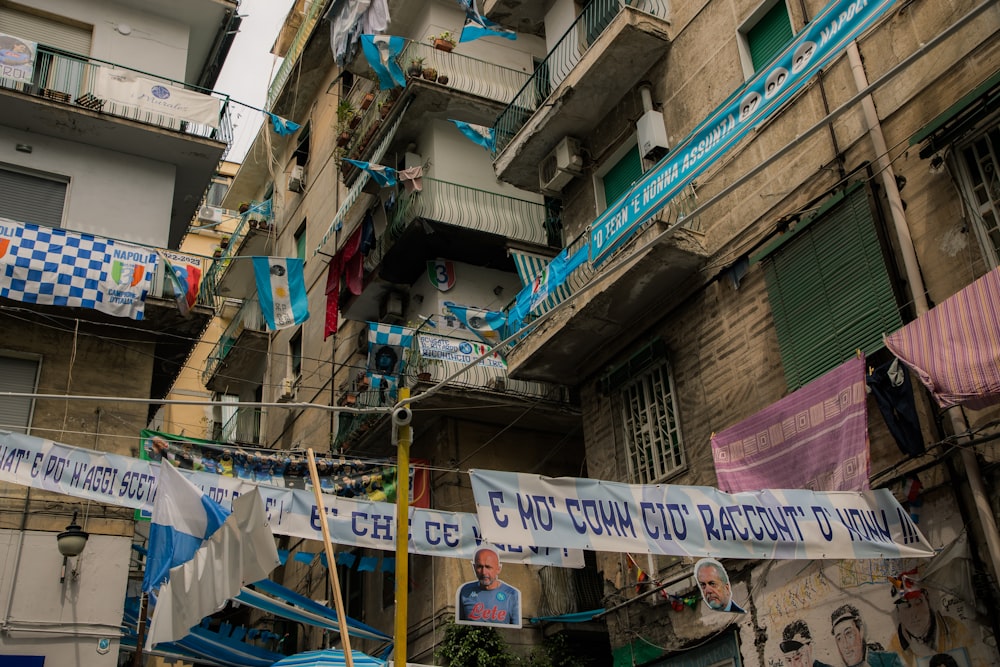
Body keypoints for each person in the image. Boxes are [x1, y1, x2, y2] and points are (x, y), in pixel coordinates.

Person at [888, 587, 977, 667]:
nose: (914, 614)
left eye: (918, 602)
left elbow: (977, 659)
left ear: (928, 602)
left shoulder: (955, 628)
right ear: (898, 613)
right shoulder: (894, 647)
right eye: (906, 606)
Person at [457, 544, 521, 627]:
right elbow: (460, 627)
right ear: (474, 567)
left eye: (488, 567)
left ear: (498, 569)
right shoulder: (465, 592)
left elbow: (516, 633)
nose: (484, 572)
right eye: (480, 566)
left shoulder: (512, 595)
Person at [831, 604, 905, 667]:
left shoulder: (889, 661)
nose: (845, 645)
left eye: (848, 633)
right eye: (839, 638)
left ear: (861, 630)